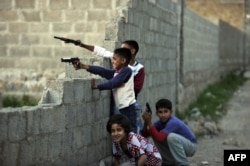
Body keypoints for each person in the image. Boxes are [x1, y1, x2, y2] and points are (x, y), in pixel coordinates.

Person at [72, 47, 139, 133]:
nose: (112, 61)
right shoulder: (117, 72)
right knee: (125, 133)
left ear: (123, 61)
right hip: (123, 108)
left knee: (131, 133)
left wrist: (97, 86)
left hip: (128, 108)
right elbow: (103, 71)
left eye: (114, 59)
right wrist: (84, 66)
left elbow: (113, 83)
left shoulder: (127, 71)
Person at [76, 40, 145, 98]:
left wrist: (119, 83)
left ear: (132, 51)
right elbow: (101, 53)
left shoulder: (138, 68)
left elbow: (137, 88)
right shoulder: (118, 61)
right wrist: (83, 46)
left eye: (124, 49)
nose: (113, 61)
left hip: (126, 102)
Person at [141, 99, 197, 166]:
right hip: (182, 145)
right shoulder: (160, 122)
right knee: (155, 133)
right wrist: (146, 122)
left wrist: (149, 123)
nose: (163, 115)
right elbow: (145, 134)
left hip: (191, 146)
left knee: (170, 137)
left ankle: (183, 163)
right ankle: (169, 162)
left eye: (166, 112)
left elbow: (160, 138)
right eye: (160, 112)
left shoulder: (173, 122)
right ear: (157, 113)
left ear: (171, 112)